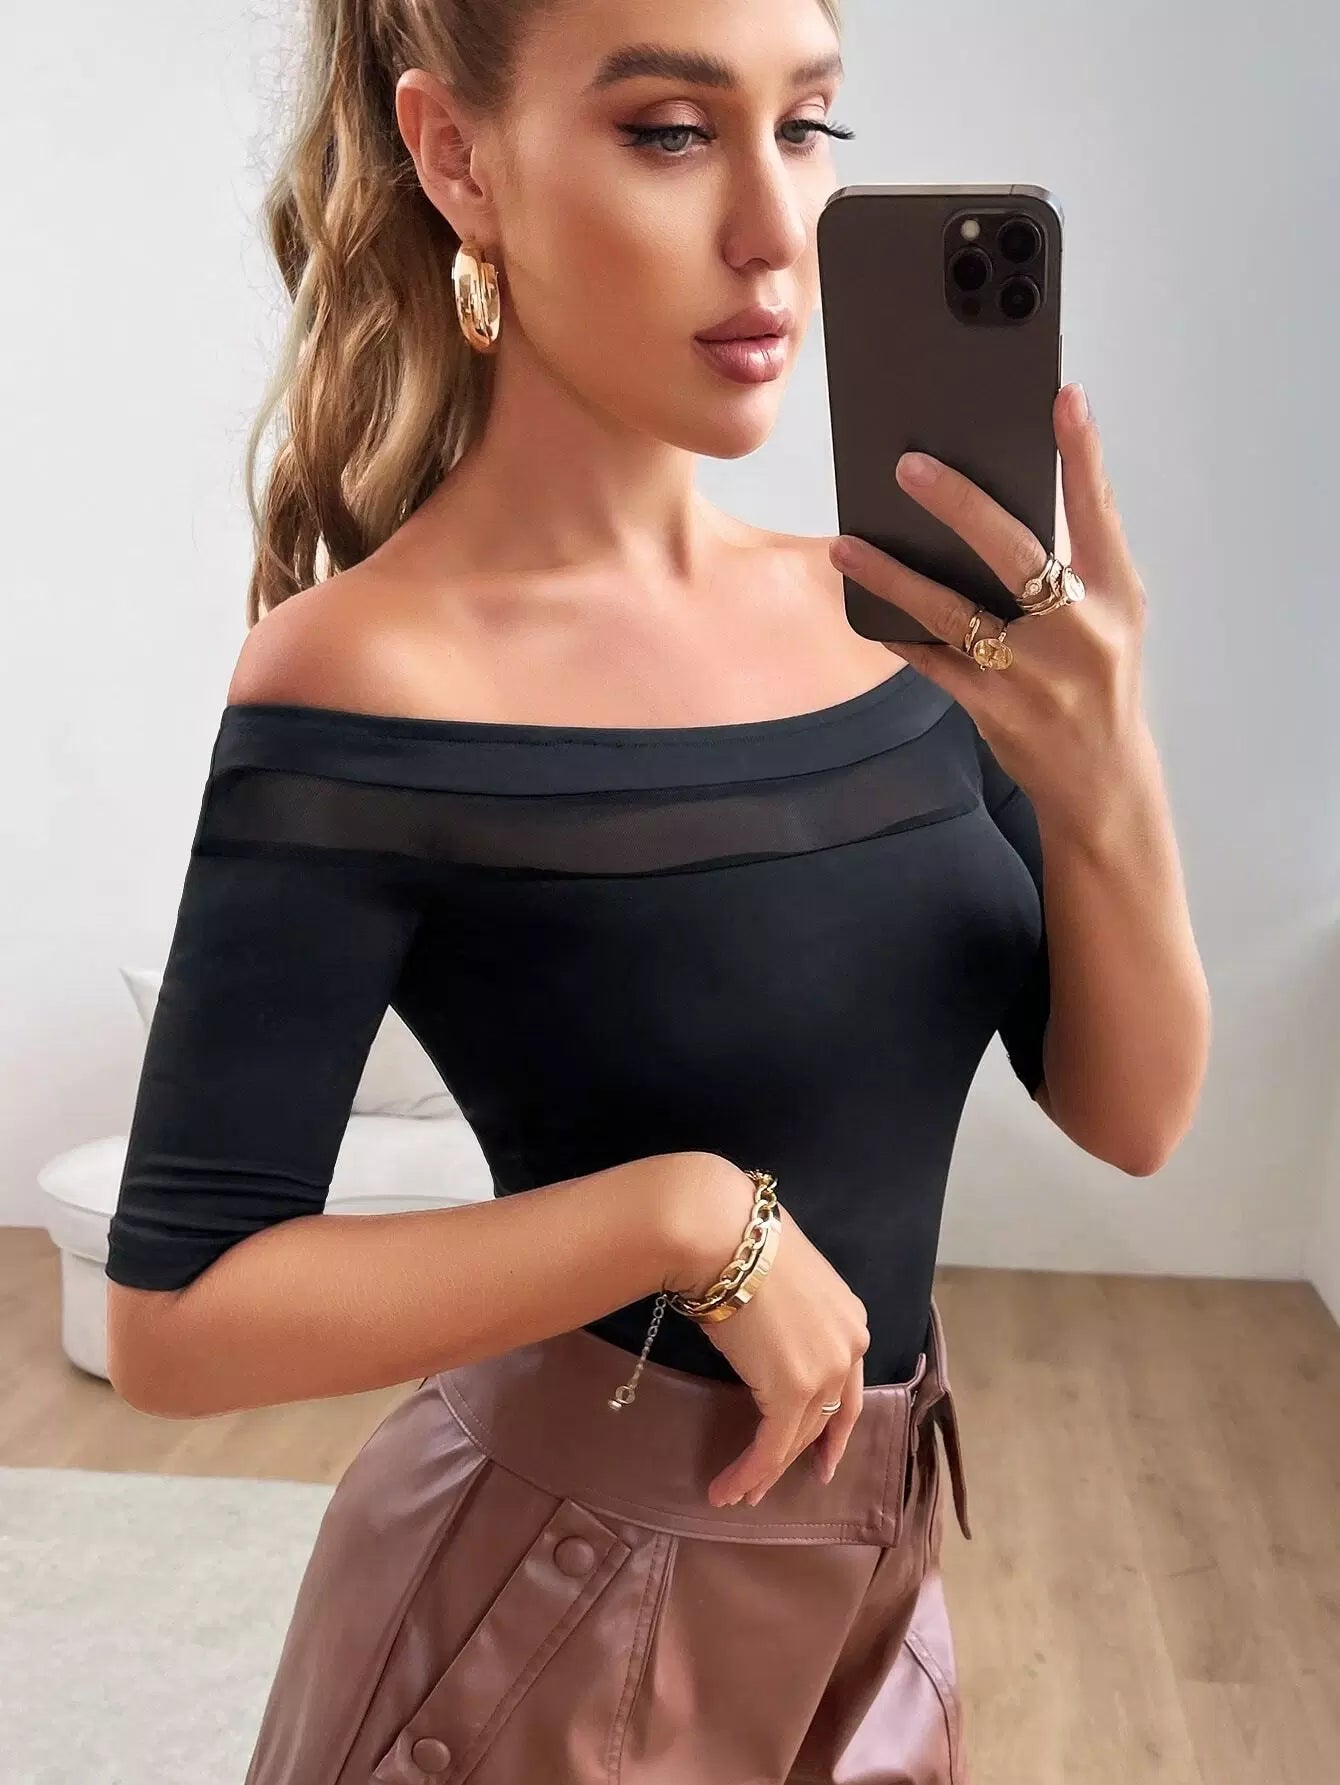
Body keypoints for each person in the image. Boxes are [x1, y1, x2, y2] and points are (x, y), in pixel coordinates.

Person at [103, 2, 1210, 1780]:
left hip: (876, 1595)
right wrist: (682, 1221)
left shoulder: (898, 619)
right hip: (543, 1632)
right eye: (673, 134)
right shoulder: (370, 675)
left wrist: (1111, 780)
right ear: (459, 158)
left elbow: (1132, 1114)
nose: (773, 230)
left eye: (808, 125)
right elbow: (173, 1321)